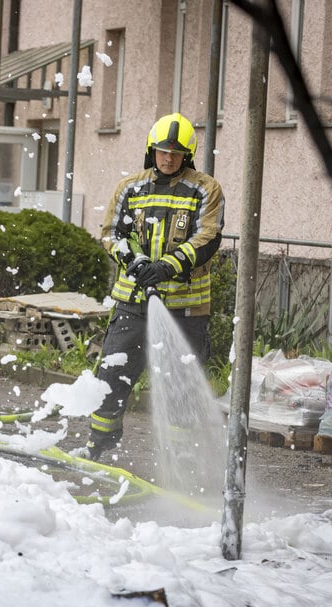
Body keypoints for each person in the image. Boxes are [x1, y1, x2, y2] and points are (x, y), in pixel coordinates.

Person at [80, 112, 225, 461]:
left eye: (176, 154)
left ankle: (182, 459)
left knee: (181, 388)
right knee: (112, 376)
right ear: (151, 150)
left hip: (185, 308)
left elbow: (208, 237)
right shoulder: (130, 188)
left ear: (187, 155)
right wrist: (135, 262)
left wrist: (167, 267)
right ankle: (98, 445)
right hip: (133, 304)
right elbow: (111, 234)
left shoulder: (206, 189)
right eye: (162, 151)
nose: (168, 158)